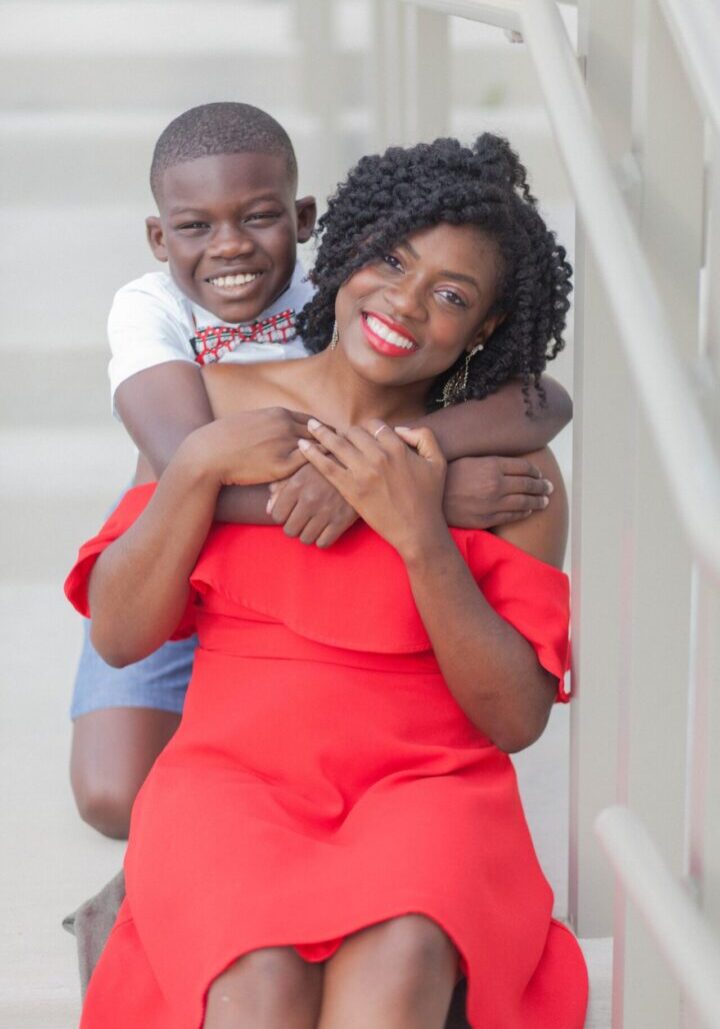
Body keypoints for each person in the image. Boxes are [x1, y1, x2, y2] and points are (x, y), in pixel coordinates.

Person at [66, 133, 587, 1028]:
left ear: (487, 328)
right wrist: (193, 472)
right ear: (344, 251)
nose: (404, 301)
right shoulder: (212, 407)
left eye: (450, 295)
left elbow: (516, 717)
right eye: (391, 260)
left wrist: (419, 530)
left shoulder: (515, 475)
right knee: (255, 982)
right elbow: (120, 634)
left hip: (429, 783)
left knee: (404, 954)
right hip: (232, 776)